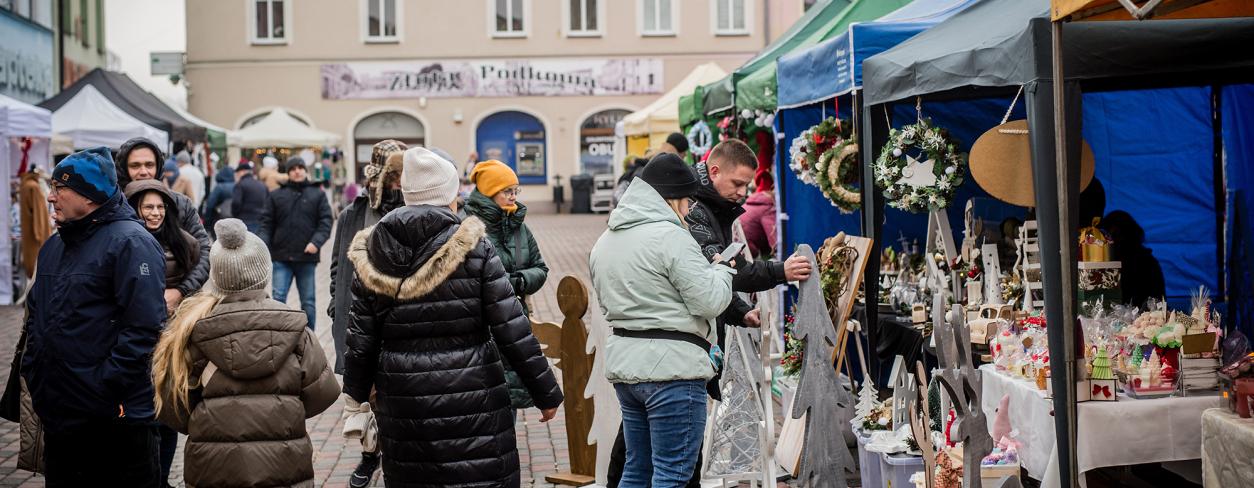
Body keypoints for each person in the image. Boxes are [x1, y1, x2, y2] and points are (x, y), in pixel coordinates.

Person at [341, 147, 563, 487]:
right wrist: (545, 391)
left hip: (403, 397)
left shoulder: (372, 251)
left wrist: (355, 397)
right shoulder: (475, 246)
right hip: (474, 392)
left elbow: (360, 339)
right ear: (450, 195)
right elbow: (512, 326)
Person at [152, 218, 340, 488]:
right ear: (265, 273)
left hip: (213, 467)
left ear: (216, 277)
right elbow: (323, 394)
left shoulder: (191, 333)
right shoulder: (295, 328)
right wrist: (283, 412)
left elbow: (172, 407)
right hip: (283, 463)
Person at [22, 147, 168, 486]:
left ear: (90, 196)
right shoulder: (54, 246)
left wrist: (104, 384)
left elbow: (145, 328)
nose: (50, 196)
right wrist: (35, 371)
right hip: (61, 414)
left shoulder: (131, 243)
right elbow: (36, 315)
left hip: (114, 421)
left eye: (60, 188)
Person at [589, 153, 735, 487]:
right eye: (686, 202)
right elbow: (709, 301)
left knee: (636, 468)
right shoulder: (672, 238)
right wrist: (723, 272)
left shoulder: (606, 241)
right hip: (674, 371)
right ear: (671, 199)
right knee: (672, 473)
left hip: (628, 367)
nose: (688, 210)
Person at [327, 139, 407, 487]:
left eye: (404, 174)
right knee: (365, 393)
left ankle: (399, 456)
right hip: (361, 318)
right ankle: (370, 454)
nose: (399, 181)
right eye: (394, 174)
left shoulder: (417, 208)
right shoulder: (354, 213)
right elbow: (337, 266)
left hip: (403, 315)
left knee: (400, 393)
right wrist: (337, 303)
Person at [463, 159, 550, 411]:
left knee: (508, 397)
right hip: (481, 326)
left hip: (514, 320)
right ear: (490, 193)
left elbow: (540, 267)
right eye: (507, 191)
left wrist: (521, 281)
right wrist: (506, 283)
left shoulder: (519, 227)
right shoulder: (467, 227)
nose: (513, 197)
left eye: (515, 190)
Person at [115, 138, 212, 316]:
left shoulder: (180, 204)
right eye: (135, 165)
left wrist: (180, 291)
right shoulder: (114, 206)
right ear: (123, 168)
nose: (143, 171)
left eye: (149, 164)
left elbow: (205, 252)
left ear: (158, 167)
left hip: (178, 310)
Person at [258, 156, 332, 330]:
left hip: (306, 257)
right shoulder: (276, 195)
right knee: (278, 299)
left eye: (300, 167)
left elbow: (326, 222)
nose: (297, 171)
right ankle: (277, 336)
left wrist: (316, 242)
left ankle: (310, 338)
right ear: (288, 172)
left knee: (308, 302)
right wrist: (261, 247)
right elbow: (266, 223)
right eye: (293, 168)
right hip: (281, 256)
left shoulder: (317, 194)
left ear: (305, 170)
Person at [739, 172, 777, 259]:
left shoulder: (747, 205)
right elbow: (774, 240)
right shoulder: (767, 207)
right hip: (748, 254)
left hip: (736, 249)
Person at [231, 161, 268, 234]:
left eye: (237, 173)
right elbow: (268, 202)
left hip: (245, 220)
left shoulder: (240, 185)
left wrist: (235, 215)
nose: (237, 175)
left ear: (242, 172)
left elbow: (236, 203)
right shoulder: (262, 185)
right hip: (261, 221)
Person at [201, 165, 237, 238]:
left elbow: (210, 204)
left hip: (220, 219)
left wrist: (207, 222)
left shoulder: (219, 187)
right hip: (236, 220)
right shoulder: (238, 186)